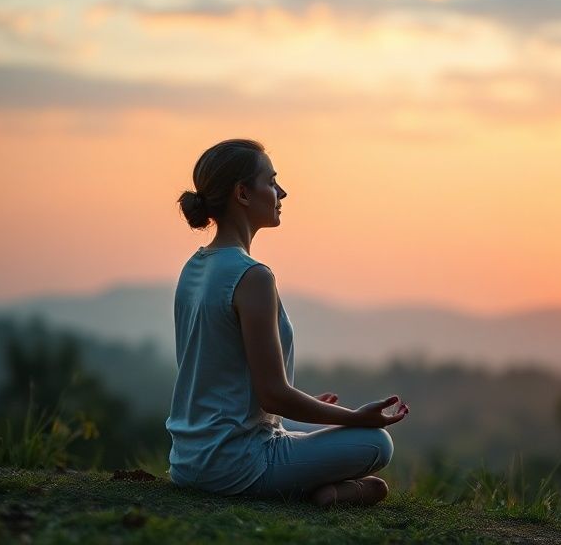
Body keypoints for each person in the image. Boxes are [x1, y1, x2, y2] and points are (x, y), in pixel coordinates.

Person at [166, 138, 409, 506]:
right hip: (235, 465)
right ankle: (317, 491)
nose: (282, 192)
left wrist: (313, 409)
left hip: (188, 460)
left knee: (320, 422)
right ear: (243, 193)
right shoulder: (252, 277)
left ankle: (317, 483)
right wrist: (354, 418)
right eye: (272, 181)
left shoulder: (194, 267)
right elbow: (274, 395)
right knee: (376, 443)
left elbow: (224, 379)